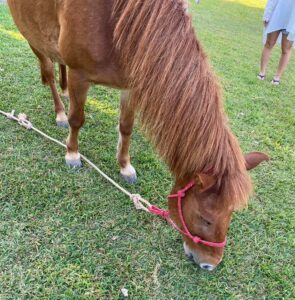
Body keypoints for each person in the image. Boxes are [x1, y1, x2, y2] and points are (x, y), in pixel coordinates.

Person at [258, 0, 295, 85]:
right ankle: (262, 72)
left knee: (286, 49)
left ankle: (277, 77)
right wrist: (267, 15)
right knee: (269, 43)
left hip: (292, 20)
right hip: (277, 15)